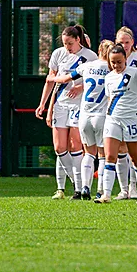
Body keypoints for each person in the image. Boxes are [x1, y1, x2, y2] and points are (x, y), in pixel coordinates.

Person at [35, 25, 98, 200]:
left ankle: (79, 189)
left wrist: (80, 87)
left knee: (76, 145)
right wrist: (43, 104)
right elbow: (51, 80)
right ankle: (75, 182)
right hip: (61, 104)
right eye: (64, 43)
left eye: (70, 43)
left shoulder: (90, 57)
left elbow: (98, 82)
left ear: (78, 40)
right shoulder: (58, 54)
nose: (67, 47)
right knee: (59, 148)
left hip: (79, 106)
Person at [47, 40, 113, 200]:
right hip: (101, 116)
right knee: (103, 155)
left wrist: (52, 78)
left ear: (99, 51)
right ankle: (100, 190)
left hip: (85, 116)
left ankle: (84, 187)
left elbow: (65, 79)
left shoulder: (87, 66)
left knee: (88, 153)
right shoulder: (113, 70)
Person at [94, 44, 137, 204]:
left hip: (132, 119)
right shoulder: (109, 78)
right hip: (113, 119)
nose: (116, 65)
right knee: (110, 157)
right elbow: (109, 99)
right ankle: (106, 194)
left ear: (125, 59)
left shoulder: (134, 73)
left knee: (136, 159)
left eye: (119, 62)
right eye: (113, 62)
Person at [114, 26, 137, 199]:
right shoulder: (114, 58)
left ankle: (134, 187)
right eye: (120, 42)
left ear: (132, 42)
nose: (124, 45)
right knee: (120, 148)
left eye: (126, 42)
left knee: (135, 149)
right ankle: (123, 188)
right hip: (119, 107)